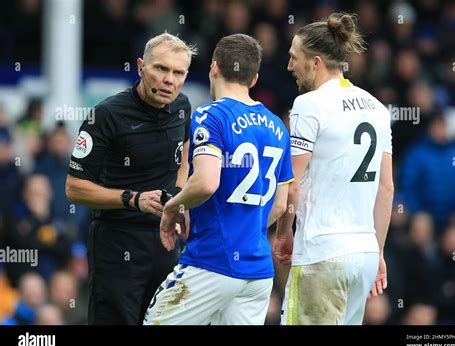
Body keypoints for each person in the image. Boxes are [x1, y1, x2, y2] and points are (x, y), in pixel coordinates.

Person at [144, 34, 294, 325]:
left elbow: (206, 182)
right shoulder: (277, 126)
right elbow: (280, 204)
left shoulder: (211, 115)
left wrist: (172, 207)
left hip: (212, 261)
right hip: (258, 272)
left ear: (214, 68)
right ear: (254, 79)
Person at [65, 33, 197, 325]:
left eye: (178, 73)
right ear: (141, 67)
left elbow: (185, 155)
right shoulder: (106, 115)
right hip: (116, 242)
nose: (169, 80)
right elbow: (74, 188)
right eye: (161, 69)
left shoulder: (182, 107)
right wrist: (132, 199)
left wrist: (178, 197)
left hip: (164, 242)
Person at [274, 13, 394, 325]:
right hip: (365, 253)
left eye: (294, 57)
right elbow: (386, 189)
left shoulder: (308, 105)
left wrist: (284, 232)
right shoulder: (377, 108)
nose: (289, 66)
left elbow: (294, 182)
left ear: (315, 62)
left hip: (322, 252)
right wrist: (377, 253)